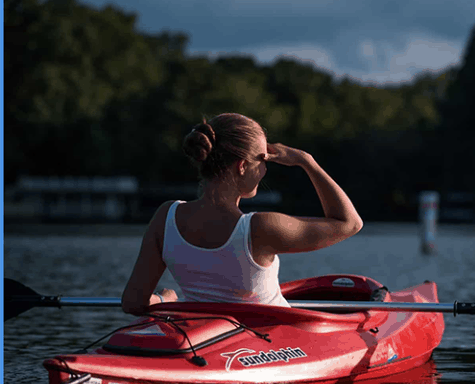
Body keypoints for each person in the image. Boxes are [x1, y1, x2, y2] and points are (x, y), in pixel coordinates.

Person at [121, 112, 364, 315]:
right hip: (269, 347)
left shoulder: (166, 216)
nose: (265, 169)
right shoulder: (260, 228)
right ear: (242, 166)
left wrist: (166, 302)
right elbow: (350, 223)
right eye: (263, 159)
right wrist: (306, 161)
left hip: (210, 342)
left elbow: (133, 302)